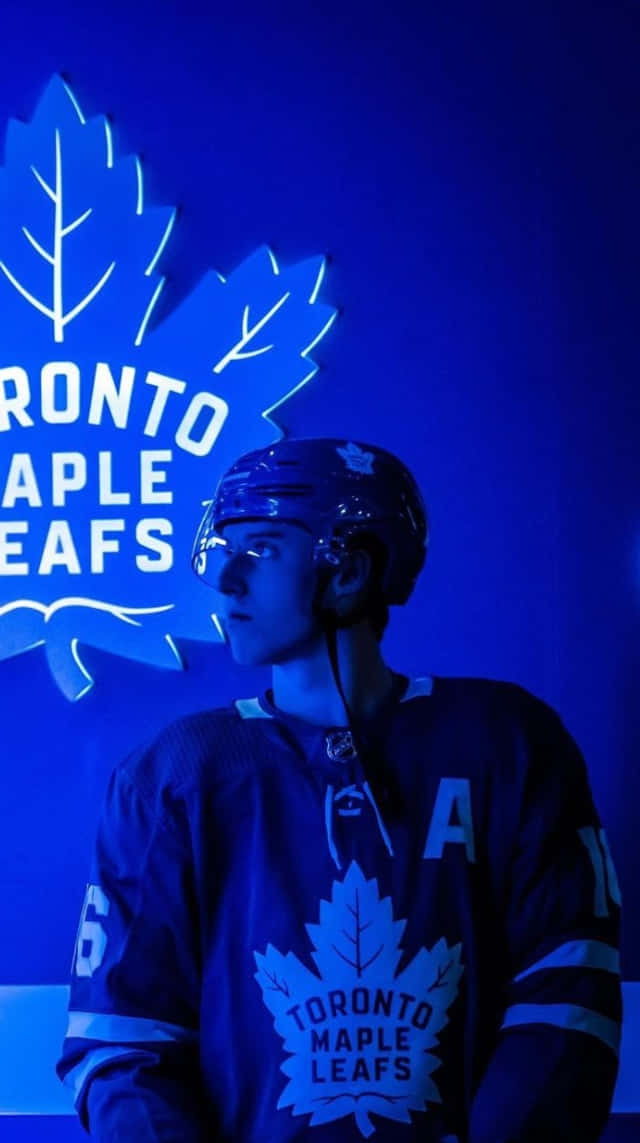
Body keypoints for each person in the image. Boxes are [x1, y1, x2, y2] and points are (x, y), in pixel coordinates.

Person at [56, 437, 622, 1142]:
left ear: (348, 570)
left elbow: (566, 997)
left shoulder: (508, 744)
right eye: (226, 547)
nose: (226, 579)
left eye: (261, 549)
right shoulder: (176, 773)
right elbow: (124, 1042)